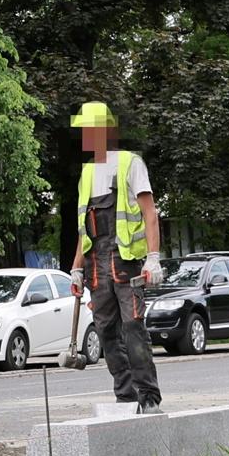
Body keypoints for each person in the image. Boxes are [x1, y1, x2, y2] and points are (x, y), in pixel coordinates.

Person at [67, 101, 165, 413]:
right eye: (83, 131)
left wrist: (153, 257)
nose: (86, 136)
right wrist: (76, 269)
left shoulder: (129, 164)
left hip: (125, 263)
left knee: (133, 327)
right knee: (106, 329)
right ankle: (126, 397)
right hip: (96, 266)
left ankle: (148, 397)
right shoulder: (86, 173)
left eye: (90, 130)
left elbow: (150, 214)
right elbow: (84, 229)